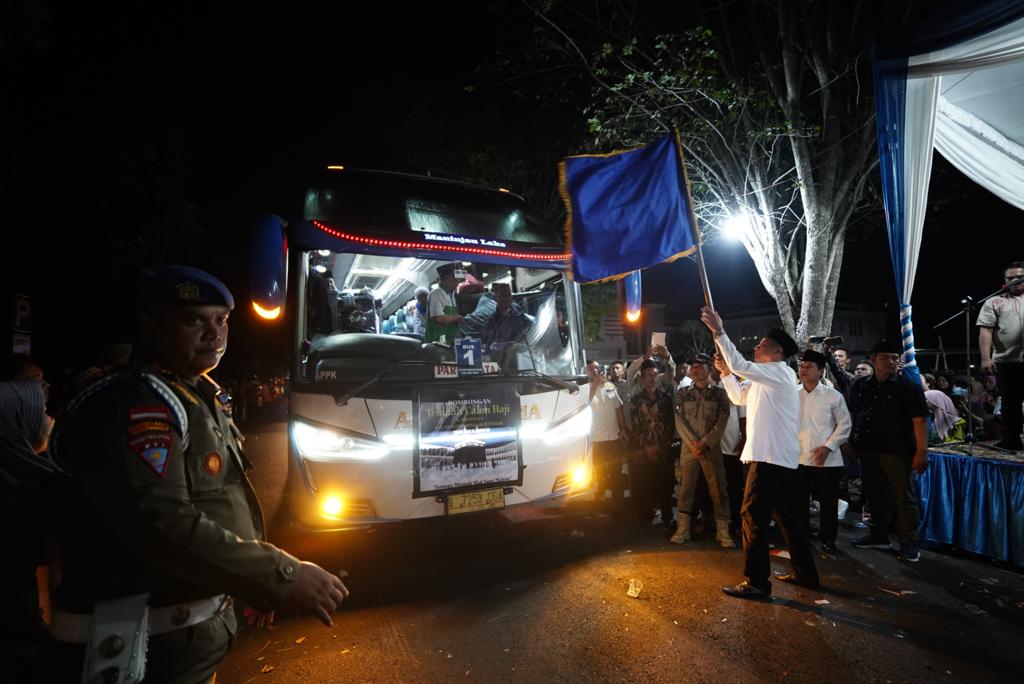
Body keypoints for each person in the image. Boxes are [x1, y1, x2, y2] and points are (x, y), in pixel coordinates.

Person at [47, 266, 349, 683]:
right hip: (149, 645)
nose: (214, 335)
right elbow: (161, 519)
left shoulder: (191, 392)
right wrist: (281, 574)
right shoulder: (142, 402)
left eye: (221, 321)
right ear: (149, 326)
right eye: (193, 321)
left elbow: (218, 502)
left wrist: (248, 584)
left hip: (182, 632)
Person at [700, 307, 819, 599]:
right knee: (788, 519)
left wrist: (720, 331)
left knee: (751, 515)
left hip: (770, 459)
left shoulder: (778, 373)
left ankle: (757, 582)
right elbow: (739, 395)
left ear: (776, 352)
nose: (755, 346)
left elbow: (741, 365)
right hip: (778, 459)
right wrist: (727, 374)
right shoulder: (768, 377)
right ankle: (806, 574)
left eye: (761, 344)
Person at [848, 340, 930, 563]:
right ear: (873, 360)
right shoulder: (860, 385)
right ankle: (879, 535)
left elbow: (920, 421)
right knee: (875, 496)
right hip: (867, 450)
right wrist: (851, 442)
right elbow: (854, 415)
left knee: (903, 498)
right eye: (885, 357)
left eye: (895, 358)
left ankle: (909, 544)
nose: (891, 362)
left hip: (897, 452)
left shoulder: (908, 387)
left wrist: (922, 452)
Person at [671, 354, 734, 547]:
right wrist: (694, 443)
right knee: (685, 488)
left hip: (711, 448)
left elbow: (722, 420)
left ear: (708, 369)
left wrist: (705, 442)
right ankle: (683, 529)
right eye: (693, 366)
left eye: (699, 366)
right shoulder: (682, 394)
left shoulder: (719, 394)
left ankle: (723, 531)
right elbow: (679, 421)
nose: (695, 369)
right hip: (689, 449)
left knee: (718, 488)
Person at [795, 350, 852, 554]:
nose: (803, 370)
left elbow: (845, 425)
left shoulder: (832, 396)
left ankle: (828, 539)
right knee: (799, 501)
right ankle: (801, 537)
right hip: (799, 458)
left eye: (808, 367)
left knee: (828, 503)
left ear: (820, 371)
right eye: (801, 366)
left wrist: (829, 446)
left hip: (827, 460)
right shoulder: (793, 393)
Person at [977, 261, 1024, 451]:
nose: (1015, 280)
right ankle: (1011, 440)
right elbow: (986, 331)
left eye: (1019, 276)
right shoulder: (994, 302)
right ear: (1004, 281)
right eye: (1010, 278)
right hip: (1007, 360)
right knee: (1010, 403)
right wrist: (985, 358)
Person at [628, 359, 676, 529]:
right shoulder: (635, 400)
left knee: (666, 484)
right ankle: (646, 515)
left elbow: (671, 425)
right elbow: (635, 426)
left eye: (655, 375)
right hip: (645, 450)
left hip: (663, 449)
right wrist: (648, 447)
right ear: (642, 378)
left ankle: (667, 516)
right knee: (645, 484)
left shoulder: (667, 398)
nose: (652, 378)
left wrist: (662, 446)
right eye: (648, 375)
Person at [587, 361, 628, 512]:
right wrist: (595, 385)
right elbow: (585, 403)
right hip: (598, 439)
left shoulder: (610, 386)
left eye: (598, 367)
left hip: (614, 436)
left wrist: (623, 429)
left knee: (616, 473)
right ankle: (600, 502)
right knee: (600, 474)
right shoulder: (585, 388)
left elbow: (618, 408)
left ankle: (618, 503)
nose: (596, 370)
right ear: (588, 371)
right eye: (592, 368)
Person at [480, 283, 534, 351]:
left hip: (525, 354)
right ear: (495, 298)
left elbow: (531, 329)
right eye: (502, 295)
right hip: (506, 358)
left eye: (508, 294)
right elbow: (489, 346)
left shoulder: (519, 314)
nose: (506, 298)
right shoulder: (490, 323)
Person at [426, 263, 464, 344]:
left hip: (449, 340)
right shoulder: (437, 293)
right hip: (438, 341)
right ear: (448, 279)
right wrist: (456, 317)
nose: (458, 282)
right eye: (455, 279)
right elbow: (438, 318)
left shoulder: (451, 294)